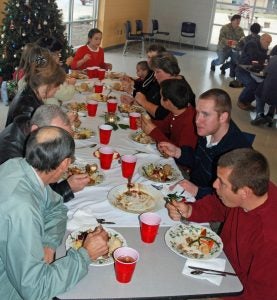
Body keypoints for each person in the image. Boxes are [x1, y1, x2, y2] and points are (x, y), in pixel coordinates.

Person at [0, 126, 109, 299]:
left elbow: (57, 208)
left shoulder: (20, 167)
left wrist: (48, 243)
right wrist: (85, 254)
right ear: (65, 163)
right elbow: (35, 290)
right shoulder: (22, 208)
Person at [166, 148, 277, 300]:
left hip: (233, 289)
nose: (214, 185)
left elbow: (260, 295)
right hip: (220, 263)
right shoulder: (255, 189)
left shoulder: (270, 239)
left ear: (245, 192)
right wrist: (190, 210)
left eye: (222, 183)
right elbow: (219, 205)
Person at [159, 88, 250, 199]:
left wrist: (197, 191)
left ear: (223, 117)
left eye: (205, 114)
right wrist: (178, 152)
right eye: (197, 113)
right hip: (193, 188)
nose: (197, 120)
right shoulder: (208, 132)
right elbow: (199, 161)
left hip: (209, 203)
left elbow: (231, 199)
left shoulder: (237, 153)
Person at [0, 104, 90, 202]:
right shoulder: (12, 156)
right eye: (58, 137)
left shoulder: (29, 127)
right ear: (35, 129)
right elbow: (34, 200)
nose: (62, 143)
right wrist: (67, 188)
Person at [5, 50, 66, 127]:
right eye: (57, 85)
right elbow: (34, 137)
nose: (59, 89)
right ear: (47, 85)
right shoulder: (28, 109)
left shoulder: (31, 92)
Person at [141, 79, 197, 151]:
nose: (159, 98)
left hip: (177, 159)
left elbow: (182, 153)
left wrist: (154, 131)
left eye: (161, 96)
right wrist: (147, 122)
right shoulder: (176, 110)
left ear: (168, 102)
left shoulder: (190, 123)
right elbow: (165, 126)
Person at [135, 52, 195, 120]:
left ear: (169, 71)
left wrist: (143, 102)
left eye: (158, 72)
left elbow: (162, 116)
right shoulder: (167, 82)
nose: (154, 75)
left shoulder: (177, 89)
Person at [120, 43, 165, 117]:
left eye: (153, 58)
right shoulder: (151, 71)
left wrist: (132, 92)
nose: (150, 61)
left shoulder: (161, 78)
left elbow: (148, 98)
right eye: (148, 57)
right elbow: (143, 88)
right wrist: (132, 82)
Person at [236, 33, 272, 111]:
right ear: (261, 39)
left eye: (269, 43)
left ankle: (247, 101)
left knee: (260, 86)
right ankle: (241, 101)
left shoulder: (264, 48)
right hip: (242, 70)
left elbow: (261, 60)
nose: (268, 44)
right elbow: (254, 55)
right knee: (251, 83)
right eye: (267, 42)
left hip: (253, 71)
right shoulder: (252, 43)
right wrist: (269, 57)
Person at [251, 45, 277, 126]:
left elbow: (264, 73)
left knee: (258, 92)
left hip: (269, 91)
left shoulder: (274, 59)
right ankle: (270, 115)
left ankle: (260, 114)